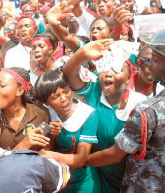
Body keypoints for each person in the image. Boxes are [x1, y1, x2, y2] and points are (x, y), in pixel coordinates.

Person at [62, 39, 147, 192]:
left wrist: (80, 161)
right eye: (105, 69)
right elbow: (69, 75)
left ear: (129, 78)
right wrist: (82, 53)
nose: (109, 73)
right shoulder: (94, 91)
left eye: (116, 70)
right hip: (98, 175)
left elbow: (115, 155)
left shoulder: (139, 104)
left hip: (128, 177)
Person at [86, 39, 165, 193]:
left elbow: (115, 154)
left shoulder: (148, 109)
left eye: (155, 60)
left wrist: (82, 161)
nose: (149, 64)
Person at [33, 68, 101, 193]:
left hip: (83, 181)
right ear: (47, 102)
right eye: (55, 97)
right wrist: (52, 136)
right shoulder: (46, 114)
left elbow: (80, 160)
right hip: (57, 181)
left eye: (66, 91)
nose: (64, 98)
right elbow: (45, 148)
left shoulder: (87, 114)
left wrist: (49, 155)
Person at [0, 67, 51, 150]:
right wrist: (23, 145)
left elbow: (47, 149)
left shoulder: (40, 113)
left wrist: (54, 134)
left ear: (20, 91)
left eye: (2, 85)